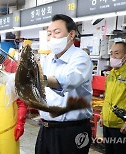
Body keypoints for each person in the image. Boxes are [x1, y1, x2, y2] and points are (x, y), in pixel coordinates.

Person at [35, 14, 93, 154]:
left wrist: (39, 78)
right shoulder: (48, 59)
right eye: (49, 33)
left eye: (57, 32)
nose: (52, 37)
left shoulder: (80, 58)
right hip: (46, 128)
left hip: (71, 131)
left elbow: (69, 80)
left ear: (71, 34)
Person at [99, 42, 126, 154]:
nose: (113, 57)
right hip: (107, 123)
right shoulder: (110, 75)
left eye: (117, 53)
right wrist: (102, 116)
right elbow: (107, 98)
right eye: (112, 53)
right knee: (108, 151)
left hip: (121, 125)